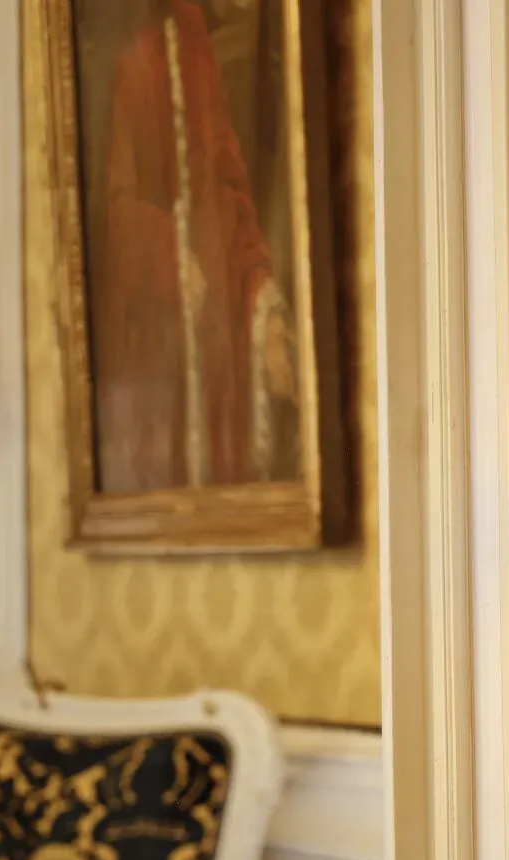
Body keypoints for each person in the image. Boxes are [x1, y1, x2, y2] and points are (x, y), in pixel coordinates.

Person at [94, 0, 296, 492]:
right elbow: (106, 211)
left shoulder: (198, 55)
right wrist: (169, 255)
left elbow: (231, 203)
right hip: (152, 368)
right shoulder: (129, 59)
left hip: (215, 363)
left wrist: (265, 312)